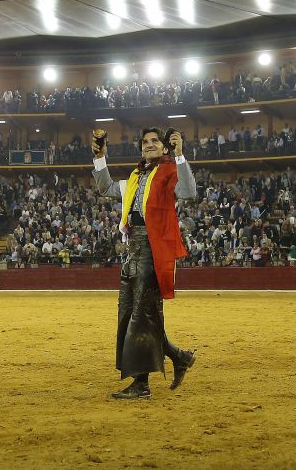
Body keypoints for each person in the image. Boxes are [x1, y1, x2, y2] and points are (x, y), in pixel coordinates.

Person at [92, 127, 198, 399]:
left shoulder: (169, 172)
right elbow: (104, 188)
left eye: (155, 141)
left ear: (164, 148)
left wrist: (180, 155)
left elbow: (187, 192)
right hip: (133, 250)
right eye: (145, 142)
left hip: (153, 250)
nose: (149, 145)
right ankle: (179, 356)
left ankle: (142, 384)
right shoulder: (135, 178)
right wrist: (100, 158)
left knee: (140, 317)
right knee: (131, 314)